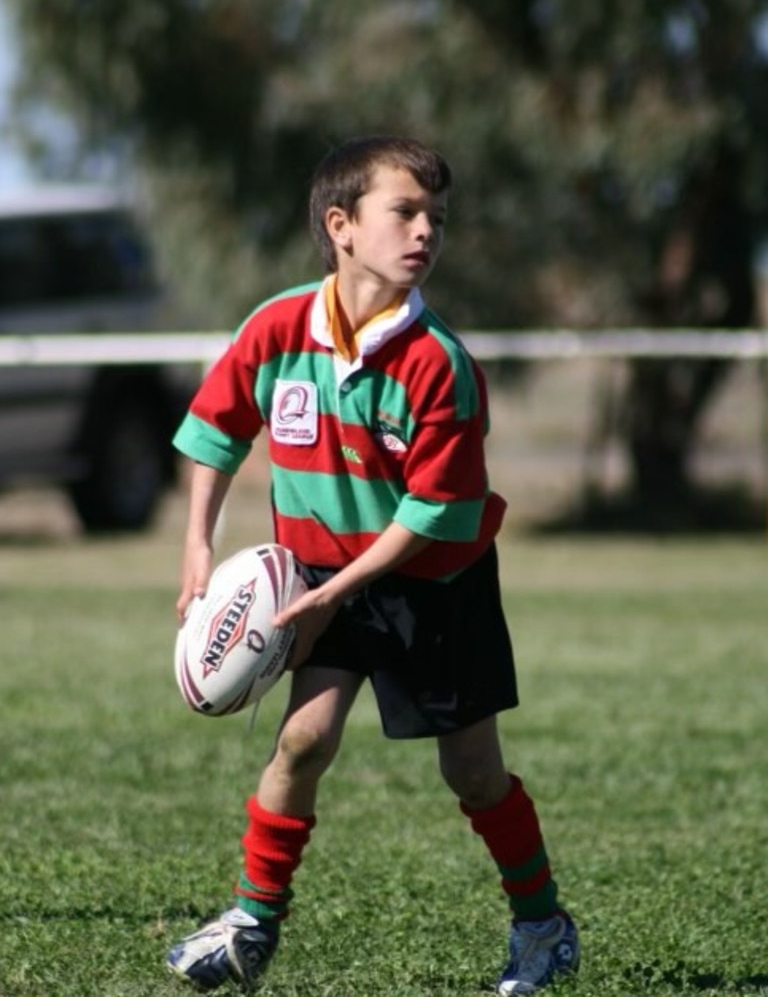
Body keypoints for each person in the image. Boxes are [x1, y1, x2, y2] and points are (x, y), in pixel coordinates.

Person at [166, 135, 580, 995]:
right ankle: (251, 921)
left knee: (471, 770)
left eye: (435, 215)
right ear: (341, 226)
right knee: (303, 742)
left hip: (435, 584)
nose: (425, 230)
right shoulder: (278, 329)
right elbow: (215, 430)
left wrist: (333, 598)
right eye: (405, 212)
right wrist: (198, 542)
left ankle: (542, 926)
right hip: (322, 579)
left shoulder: (441, 367)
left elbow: (431, 518)